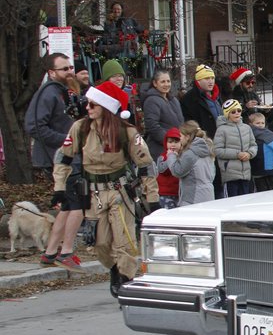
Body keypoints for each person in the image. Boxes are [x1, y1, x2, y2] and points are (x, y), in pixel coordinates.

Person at [53, 80, 159, 297]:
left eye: (93, 104)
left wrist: (152, 197)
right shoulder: (80, 128)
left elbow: (146, 164)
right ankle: (113, 268)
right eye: (88, 104)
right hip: (93, 193)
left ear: (107, 108)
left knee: (124, 240)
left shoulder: (126, 132)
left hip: (120, 192)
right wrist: (59, 188)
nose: (88, 108)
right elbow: (63, 157)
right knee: (99, 243)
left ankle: (126, 280)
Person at [25, 53, 87, 271]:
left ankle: (51, 252)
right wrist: (67, 142)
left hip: (70, 157)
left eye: (70, 67)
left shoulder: (63, 92)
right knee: (79, 203)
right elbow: (34, 127)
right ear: (51, 73)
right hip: (60, 158)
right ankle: (66, 251)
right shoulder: (48, 94)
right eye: (64, 69)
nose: (70, 71)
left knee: (70, 205)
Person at [181, 64, 223, 196]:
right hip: (203, 145)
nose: (211, 81)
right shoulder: (190, 99)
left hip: (219, 142)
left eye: (212, 78)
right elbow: (189, 124)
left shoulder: (216, 97)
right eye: (206, 78)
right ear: (198, 81)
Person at [166, 121, 216, 206]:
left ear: (187, 137)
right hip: (209, 195)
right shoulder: (207, 150)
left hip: (193, 199)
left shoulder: (190, 153)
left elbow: (177, 171)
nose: (180, 139)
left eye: (180, 136)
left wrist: (171, 156)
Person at [214, 99, 257, 197]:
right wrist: (237, 154)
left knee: (244, 202)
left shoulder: (247, 128)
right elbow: (218, 150)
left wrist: (249, 153)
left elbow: (253, 145)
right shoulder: (221, 130)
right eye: (233, 111)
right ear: (227, 114)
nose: (237, 113)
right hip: (230, 175)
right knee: (231, 203)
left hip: (245, 174)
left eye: (239, 110)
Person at [141, 68, 184, 159]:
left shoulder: (173, 100)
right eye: (163, 81)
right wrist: (169, 142)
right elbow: (152, 126)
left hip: (176, 148)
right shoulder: (151, 101)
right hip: (160, 150)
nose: (166, 84)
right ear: (155, 83)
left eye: (168, 81)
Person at [156, 127, 182, 209]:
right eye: (170, 142)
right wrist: (170, 157)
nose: (173, 144)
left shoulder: (183, 156)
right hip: (165, 194)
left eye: (176, 142)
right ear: (166, 143)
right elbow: (161, 169)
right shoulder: (162, 157)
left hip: (180, 194)